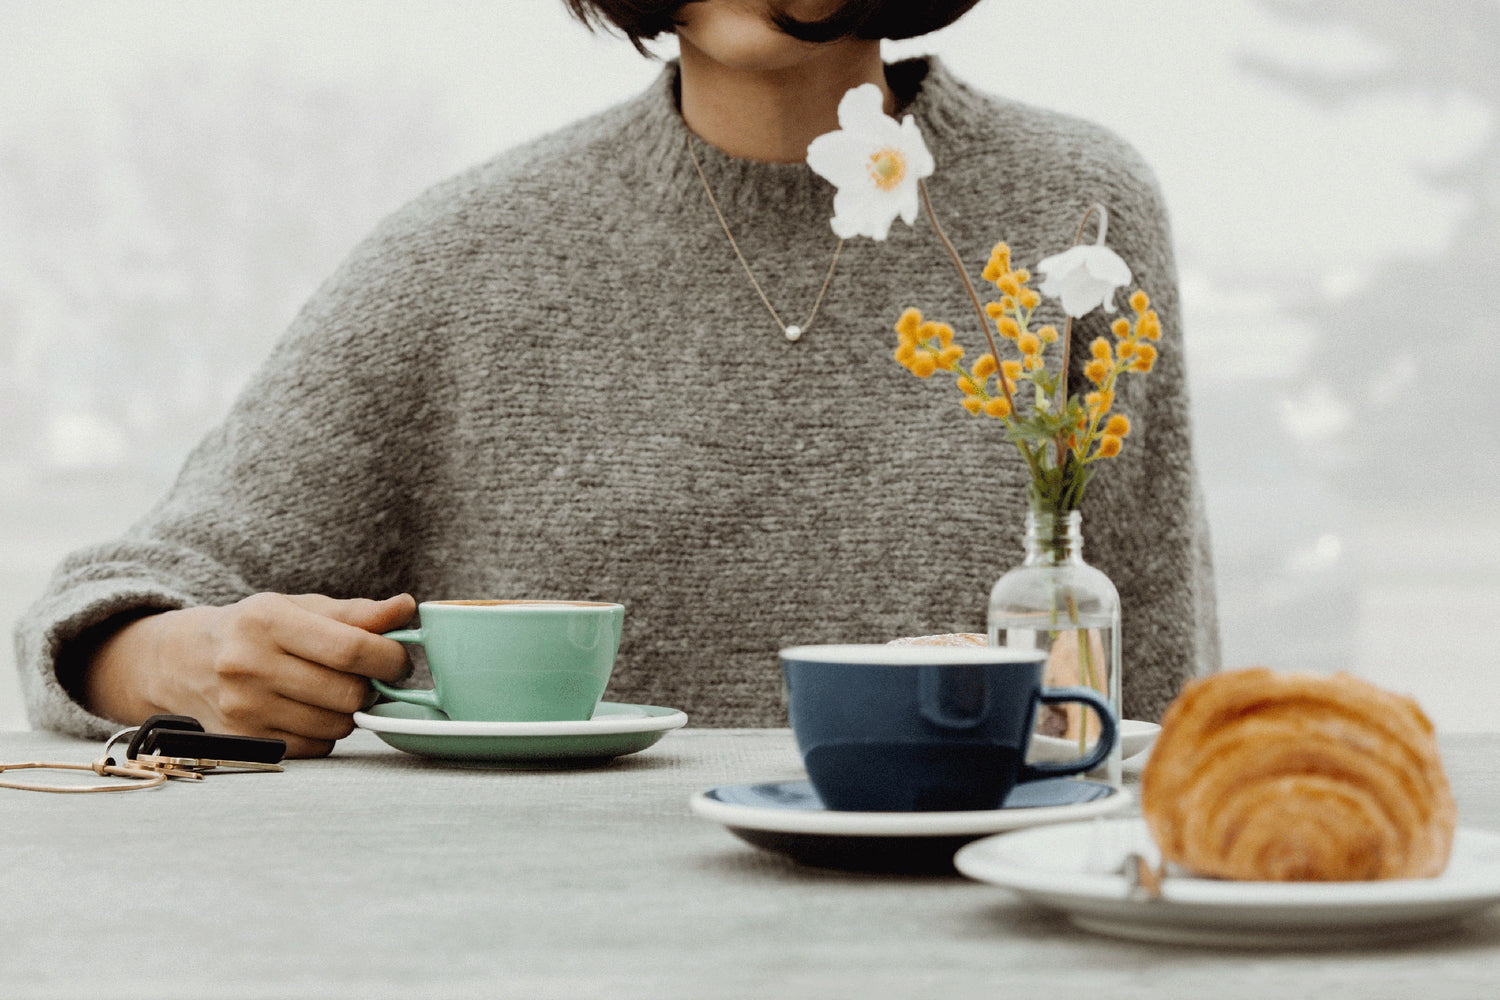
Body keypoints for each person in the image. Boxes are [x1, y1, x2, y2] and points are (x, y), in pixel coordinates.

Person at [14, 0, 1219, 757]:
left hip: (978, 946)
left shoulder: (1078, 206)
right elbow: (101, 616)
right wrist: (186, 660)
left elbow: (1158, 681)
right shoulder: (465, 254)